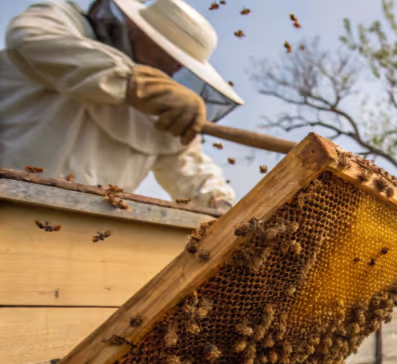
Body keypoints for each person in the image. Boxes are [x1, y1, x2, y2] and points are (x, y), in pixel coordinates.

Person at [0, 0, 243, 212]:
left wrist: (220, 205)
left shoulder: (169, 108)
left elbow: (191, 169)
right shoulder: (64, 23)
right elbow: (31, 38)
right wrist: (133, 82)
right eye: (169, 52)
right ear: (138, 30)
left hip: (84, 225)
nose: (175, 67)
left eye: (182, 63)